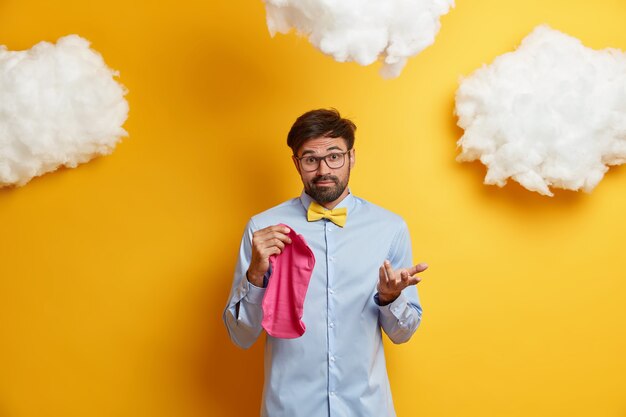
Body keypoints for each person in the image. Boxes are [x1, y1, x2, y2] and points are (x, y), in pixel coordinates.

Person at [223, 108, 428, 417]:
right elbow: (241, 335)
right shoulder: (262, 229)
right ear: (296, 163)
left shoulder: (389, 228)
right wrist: (254, 276)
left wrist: (390, 298)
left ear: (351, 156)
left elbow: (403, 333)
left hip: (366, 408)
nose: (323, 170)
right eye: (310, 159)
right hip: (289, 409)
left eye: (334, 156)